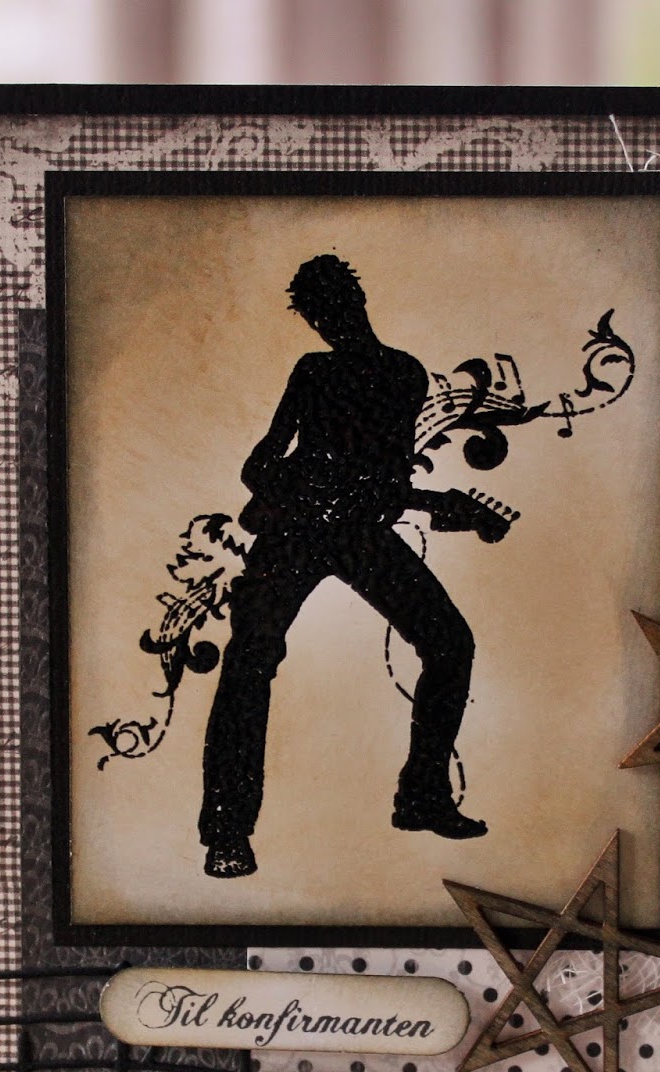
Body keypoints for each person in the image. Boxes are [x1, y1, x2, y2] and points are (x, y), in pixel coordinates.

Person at [198, 254, 509, 879]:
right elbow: (259, 464)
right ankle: (227, 832)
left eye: (334, 306)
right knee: (250, 657)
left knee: (450, 643)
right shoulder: (312, 371)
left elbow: (385, 484)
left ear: (356, 301)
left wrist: (446, 509)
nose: (328, 322)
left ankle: (422, 796)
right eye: (318, 314)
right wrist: (295, 495)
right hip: (291, 535)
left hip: (357, 534)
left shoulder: (403, 373)